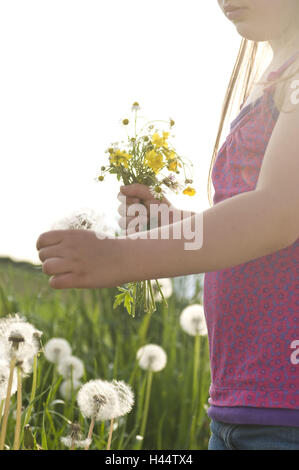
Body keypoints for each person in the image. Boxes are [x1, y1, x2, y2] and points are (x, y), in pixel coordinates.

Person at [36, 0, 299, 449]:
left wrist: (117, 256)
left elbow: (276, 216)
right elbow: (252, 225)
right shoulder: (273, 81)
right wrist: (171, 221)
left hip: (284, 407)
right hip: (241, 400)